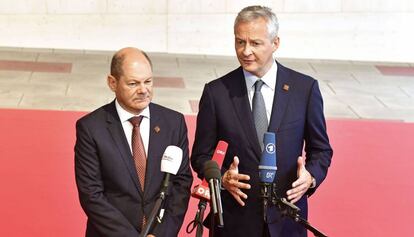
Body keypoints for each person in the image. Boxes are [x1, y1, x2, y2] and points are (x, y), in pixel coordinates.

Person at [191, 5, 333, 237]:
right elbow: (200, 156)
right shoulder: (216, 93)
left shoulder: (304, 89)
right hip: (234, 222)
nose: (245, 51)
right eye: (239, 42)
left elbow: (321, 150)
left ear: (275, 43)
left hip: (287, 220)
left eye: (255, 43)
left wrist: (311, 177)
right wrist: (223, 177)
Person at [75, 47, 193, 237]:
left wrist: (162, 233)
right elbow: (91, 195)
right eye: (133, 83)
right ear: (112, 82)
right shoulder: (91, 128)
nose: (143, 90)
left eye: (148, 81)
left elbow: (181, 182)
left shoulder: (174, 123)